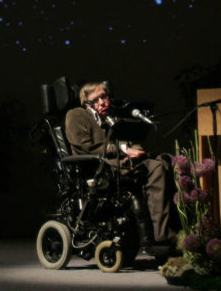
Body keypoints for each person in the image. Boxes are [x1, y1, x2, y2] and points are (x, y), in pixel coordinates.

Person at [64, 81, 174, 250]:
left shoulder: (111, 118)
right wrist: (123, 150)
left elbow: (130, 142)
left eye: (104, 97)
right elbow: (86, 147)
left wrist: (135, 151)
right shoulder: (76, 115)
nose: (102, 102)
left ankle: (174, 232)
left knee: (167, 163)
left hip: (121, 163)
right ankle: (161, 237)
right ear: (86, 103)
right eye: (96, 99)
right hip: (99, 168)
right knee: (156, 168)